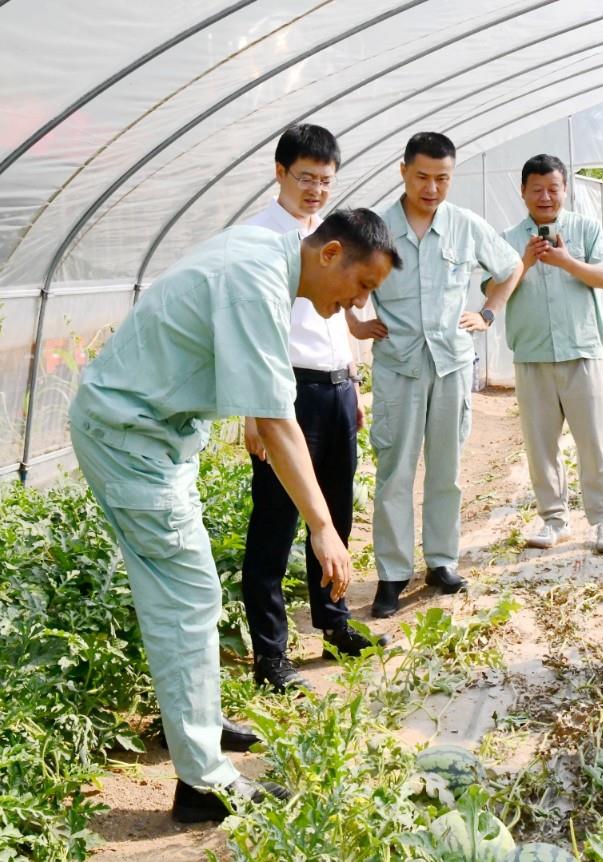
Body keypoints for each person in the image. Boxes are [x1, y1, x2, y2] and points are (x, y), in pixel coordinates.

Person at [69, 209, 401, 822]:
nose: (359, 303)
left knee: (184, 595)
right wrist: (323, 528)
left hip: (151, 434)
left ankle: (193, 723)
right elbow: (277, 422)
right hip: (131, 438)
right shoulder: (257, 283)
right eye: (362, 285)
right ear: (330, 253)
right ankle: (202, 785)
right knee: (186, 597)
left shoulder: (263, 252)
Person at [238, 124, 386, 694]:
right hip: (284, 392)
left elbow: (340, 314)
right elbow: (252, 335)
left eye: (326, 181)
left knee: (336, 513)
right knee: (274, 526)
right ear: (280, 173)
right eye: (306, 178)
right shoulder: (259, 239)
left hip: (336, 388)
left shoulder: (332, 237)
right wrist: (254, 414)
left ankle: (334, 624)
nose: (316, 190)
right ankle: (271, 655)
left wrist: (353, 382)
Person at [360, 131, 523, 619]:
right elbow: (338, 273)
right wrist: (354, 322)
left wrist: (488, 312)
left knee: (446, 469)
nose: (431, 188)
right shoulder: (378, 228)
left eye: (442, 178)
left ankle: (441, 561)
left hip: (451, 362)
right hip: (399, 366)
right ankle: (393, 574)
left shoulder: (465, 225)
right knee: (395, 472)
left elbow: (511, 267)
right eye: (422, 177)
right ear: (403, 172)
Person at [501, 154, 603, 553]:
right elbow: (493, 290)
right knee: (540, 446)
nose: (545, 197)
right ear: (522, 192)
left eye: (553, 188)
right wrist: (525, 261)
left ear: (565, 190)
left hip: (581, 350)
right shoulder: (507, 239)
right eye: (536, 189)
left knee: (595, 442)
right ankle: (554, 519)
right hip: (532, 354)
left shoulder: (585, 229)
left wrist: (568, 262)